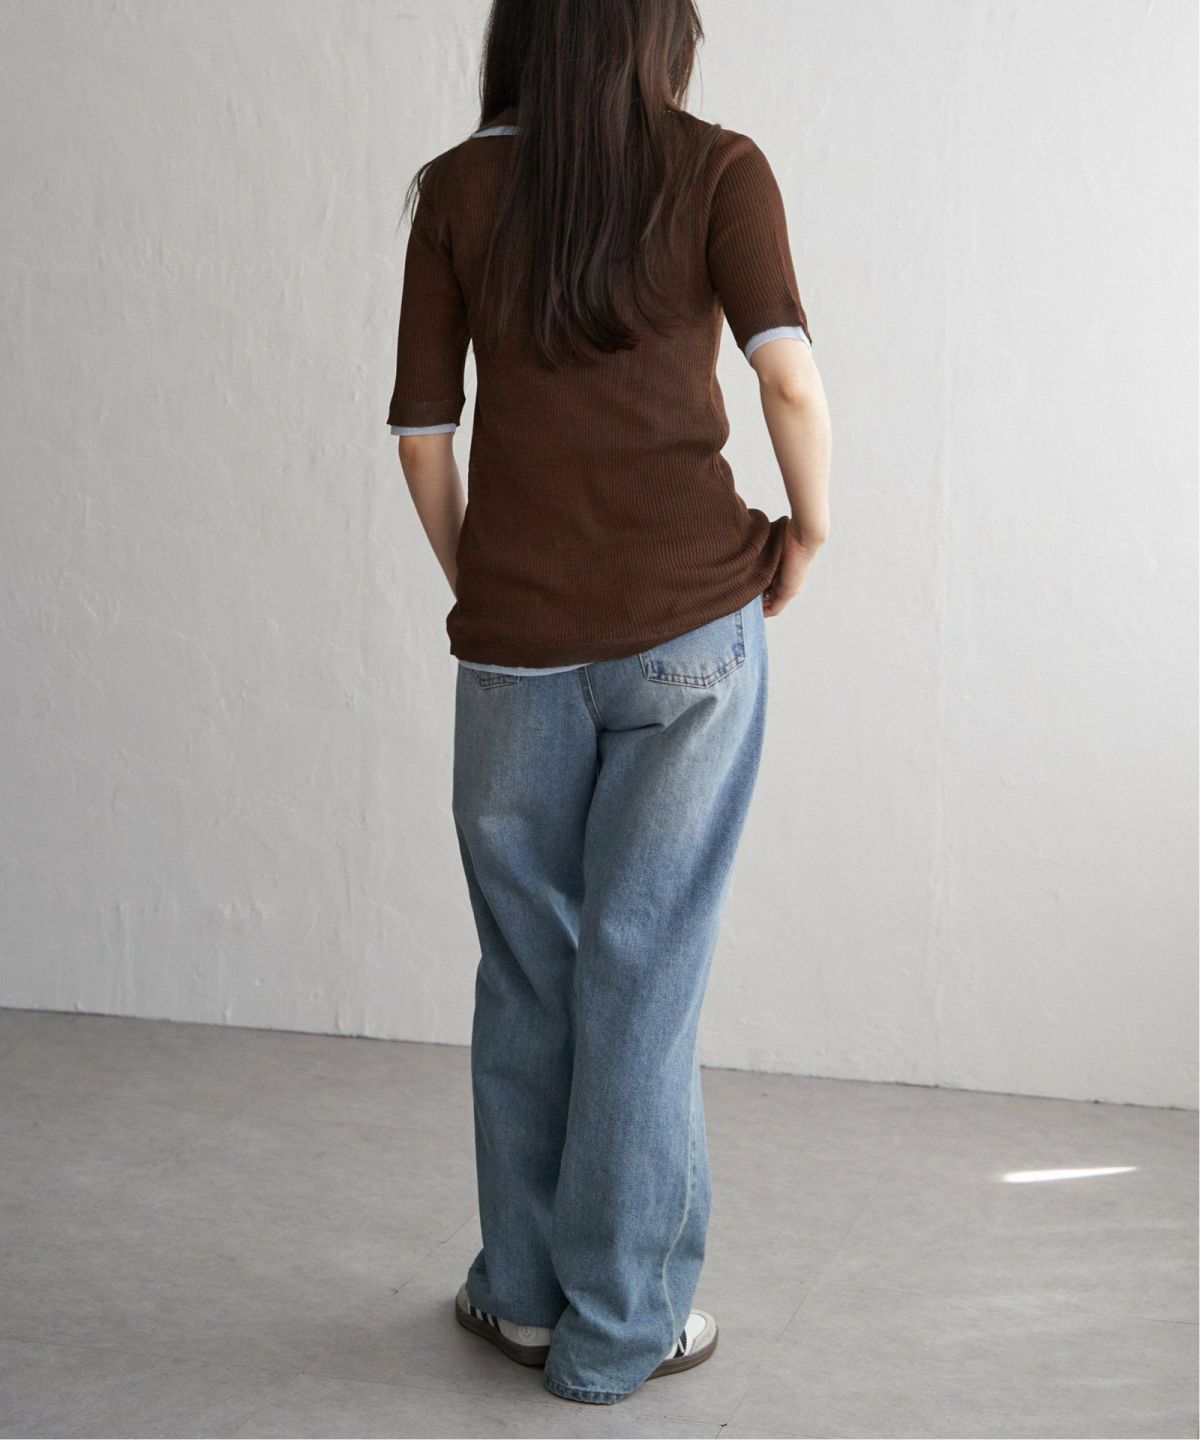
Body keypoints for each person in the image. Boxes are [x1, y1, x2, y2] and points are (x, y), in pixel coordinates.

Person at [386, 0, 832, 1408]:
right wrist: (809, 533)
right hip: (691, 632)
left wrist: (490, 581)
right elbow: (788, 380)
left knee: (528, 967)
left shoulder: (457, 191)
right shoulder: (718, 168)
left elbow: (422, 440)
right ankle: (622, 1326)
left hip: (514, 646)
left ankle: (525, 1303)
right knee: (643, 969)